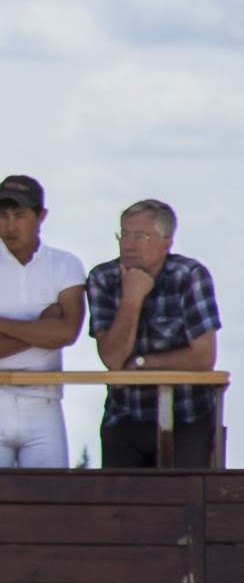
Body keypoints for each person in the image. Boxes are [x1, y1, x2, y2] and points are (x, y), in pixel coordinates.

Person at [0, 175, 88, 469]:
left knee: (49, 505)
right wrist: (40, 328)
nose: (10, 225)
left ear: (41, 216)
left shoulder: (65, 264)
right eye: (3, 215)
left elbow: (67, 333)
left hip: (44, 401)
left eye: (20, 215)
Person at [87, 199, 222, 469]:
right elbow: (112, 360)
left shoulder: (190, 276)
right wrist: (132, 298)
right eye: (124, 234)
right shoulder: (103, 278)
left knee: (184, 503)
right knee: (120, 508)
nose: (128, 244)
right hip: (124, 414)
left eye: (140, 236)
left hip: (186, 415)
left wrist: (141, 364)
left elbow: (203, 357)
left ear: (166, 242)